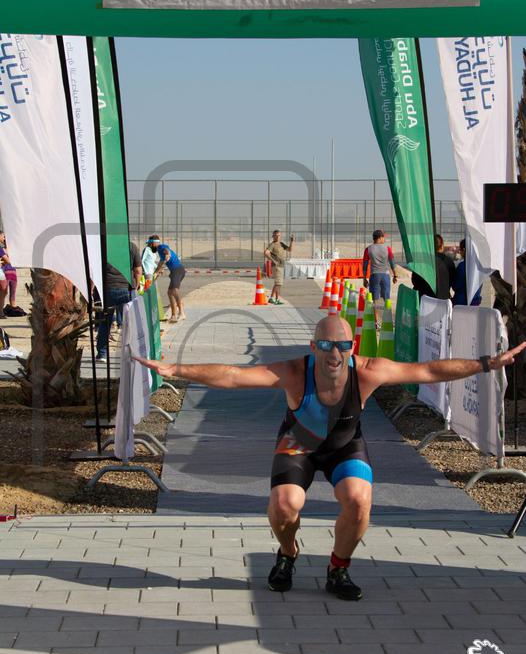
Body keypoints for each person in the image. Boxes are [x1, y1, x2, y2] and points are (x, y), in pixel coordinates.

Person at [133, 314, 525, 601]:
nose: (334, 353)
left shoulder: (369, 371)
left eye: (342, 345)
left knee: (359, 499)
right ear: (313, 347)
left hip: (344, 446)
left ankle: (338, 568)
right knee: (284, 505)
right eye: (325, 346)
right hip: (298, 445)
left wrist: (487, 364)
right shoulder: (293, 372)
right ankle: (288, 553)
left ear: (352, 347)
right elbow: (232, 376)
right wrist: (176, 369)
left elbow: (427, 371)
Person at [96, 241, 142, 363]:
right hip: (126, 289)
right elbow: (138, 270)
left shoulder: (104, 245)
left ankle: (102, 354)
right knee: (130, 323)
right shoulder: (131, 246)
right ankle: (132, 353)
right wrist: (136, 286)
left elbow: (96, 269)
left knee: (105, 323)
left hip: (107, 289)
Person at [362, 230, 398, 329]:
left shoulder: (368, 249)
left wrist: (364, 278)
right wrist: (395, 275)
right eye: (383, 237)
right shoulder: (387, 248)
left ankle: (376, 322)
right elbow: (392, 263)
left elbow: (365, 265)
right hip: (385, 275)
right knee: (386, 298)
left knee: (375, 299)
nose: (384, 239)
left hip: (374, 275)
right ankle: (387, 321)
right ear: (380, 237)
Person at [411, 233, 456, 300]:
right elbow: (453, 282)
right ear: (442, 246)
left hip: (424, 300)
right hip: (442, 301)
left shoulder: (420, 261)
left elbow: (414, 281)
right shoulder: (448, 262)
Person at [153, 240, 186, 323]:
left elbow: (167, 250)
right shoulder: (160, 253)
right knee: (170, 292)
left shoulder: (160, 247)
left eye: (150, 244)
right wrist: (155, 273)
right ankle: (173, 315)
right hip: (175, 271)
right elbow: (160, 264)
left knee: (174, 290)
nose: (150, 246)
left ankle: (181, 313)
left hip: (177, 270)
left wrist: (168, 254)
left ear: (155, 243)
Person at [264, 229, 294, 304]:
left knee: (279, 284)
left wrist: (291, 241)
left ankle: (275, 299)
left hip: (281, 265)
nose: (277, 237)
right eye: (276, 236)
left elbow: (289, 250)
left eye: (279, 236)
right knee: (278, 283)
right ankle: (273, 298)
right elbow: (266, 253)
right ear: (273, 236)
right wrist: (273, 260)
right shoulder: (272, 244)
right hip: (276, 266)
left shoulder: (281, 244)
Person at [0, 231, 24, 317]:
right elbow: (8, 261)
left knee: (11, 292)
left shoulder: (11, 250)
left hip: (13, 272)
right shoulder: (1, 249)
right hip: (5, 272)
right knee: (3, 292)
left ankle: (12, 309)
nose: (4, 239)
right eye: (3, 237)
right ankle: (1, 312)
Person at [452, 239, 482, 307]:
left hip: (461, 304)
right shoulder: (479, 267)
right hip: (475, 303)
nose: (460, 252)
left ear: (464, 250)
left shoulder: (462, 266)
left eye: (460, 250)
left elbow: (456, 286)